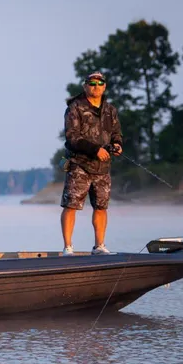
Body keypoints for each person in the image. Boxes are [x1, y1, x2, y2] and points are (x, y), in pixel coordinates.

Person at [60, 71, 123, 256]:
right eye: (92, 83)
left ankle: (99, 246)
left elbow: (117, 133)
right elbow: (72, 137)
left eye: (99, 83)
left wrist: (117, 145)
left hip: (103, 168)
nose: (96, 86)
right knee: (71, 205)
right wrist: (95, 149)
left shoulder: (111, 110)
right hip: (78, 164)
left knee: (101, 207)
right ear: (85, 86)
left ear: (104, 86)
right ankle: (68, 248)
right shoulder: (75, 108)